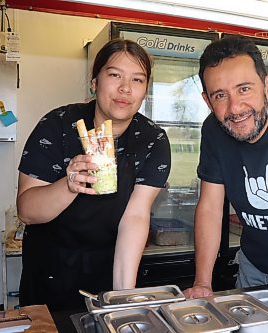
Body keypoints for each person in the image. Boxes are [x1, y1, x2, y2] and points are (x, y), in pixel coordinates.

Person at [17, 39, 171, 311]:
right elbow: (27, 210)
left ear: (145, 90)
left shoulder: (152, 140)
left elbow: (135, 216)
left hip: (110, 265)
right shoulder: (58, 125)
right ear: (94, 82)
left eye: (137, 79)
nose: (125, 88)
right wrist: (69, 185)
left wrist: (124, 298)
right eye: (114, 75)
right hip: (50, 266)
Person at [184, 36, 268, 298]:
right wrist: (202, 283)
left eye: (244, 89)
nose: (235, 108)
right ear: (208, 101)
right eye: (220, 95)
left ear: (267, 85)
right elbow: (210, 208)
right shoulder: (213, 130)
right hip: (252, 266)